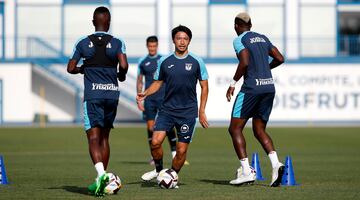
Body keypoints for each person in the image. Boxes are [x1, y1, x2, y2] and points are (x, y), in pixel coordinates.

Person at [67, 6, 128, 196]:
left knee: (93, 137)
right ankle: (102, 179)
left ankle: (101, 175)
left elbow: (70, 68)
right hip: (111, 95)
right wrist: (121, 75)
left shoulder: (82, 42)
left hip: (93, 95)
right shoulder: (118, 42)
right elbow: (124, 65)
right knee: (105, 138)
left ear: (93, 22)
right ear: (108, 23)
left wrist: (83, 68)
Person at [137, 25, 209, 184]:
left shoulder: (197, 61)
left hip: (187, 113)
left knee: (181, 152)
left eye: (185, 39)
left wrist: (201, 111)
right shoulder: (165, 61)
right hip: (167, 110)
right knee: (155, 142)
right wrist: (146, 92)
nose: (182, 42)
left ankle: (171, 175)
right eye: (179, 38)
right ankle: (158, 171)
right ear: (173, 40)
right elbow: (158, 83)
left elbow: (205, 87)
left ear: (189, 40)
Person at [226, 12, 285, 187]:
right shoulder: (263, 38)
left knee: (234, 129)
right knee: (259, 130)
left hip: (251, 88)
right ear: (251, 25)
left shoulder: (239, 40)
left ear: (236, 26)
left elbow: (244, 62)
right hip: (268, 87)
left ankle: (246, 171)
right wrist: (265, 68)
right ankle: (276, 164)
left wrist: (232, 83)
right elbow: (280, 58)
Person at [137, 36, 188, 166]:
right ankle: (154, 156)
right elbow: (140, 80)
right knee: (150, 127)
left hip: (164, 97)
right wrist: (139, 98)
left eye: (154, 46)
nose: (152, 48)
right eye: (150, 46)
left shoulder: (163, 59)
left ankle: (174, 153)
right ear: (147, 46)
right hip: (150, 99)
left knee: (169, 126)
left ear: (157, 46)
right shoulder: (142, 62)